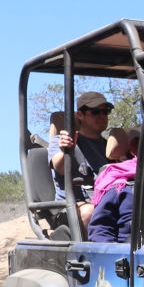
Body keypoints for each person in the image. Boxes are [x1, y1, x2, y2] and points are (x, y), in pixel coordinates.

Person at [52, 91, 114, 223]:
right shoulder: (62, 141)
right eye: (95, 112)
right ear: (80, 115)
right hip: (72, 207)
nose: (102, 116)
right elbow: (60, 168)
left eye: (105, 111)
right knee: (90, 212)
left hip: (107, 201)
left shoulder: (110, 147)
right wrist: (66, 150)